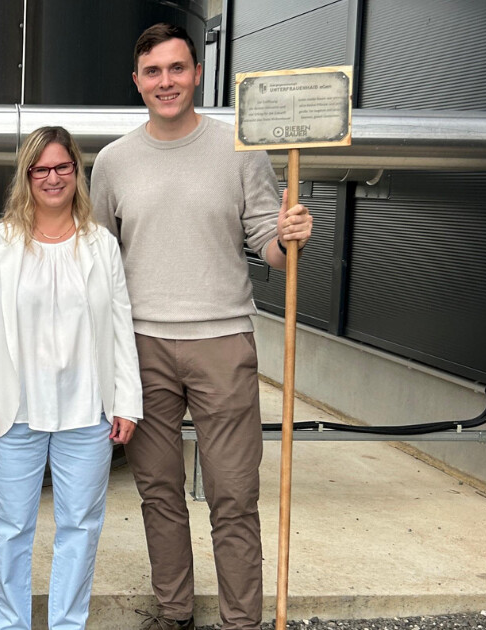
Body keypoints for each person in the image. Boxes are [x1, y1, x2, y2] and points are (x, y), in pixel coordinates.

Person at [89, 23, 313, 630]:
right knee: (158, 493)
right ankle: (174, 613)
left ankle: (241, 621)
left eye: (178, 69)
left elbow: (268, 242)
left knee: (234, 495)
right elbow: (99, 266)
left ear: (196, 74)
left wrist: (288, 239)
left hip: (222, 341)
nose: (167, 82)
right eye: (154, 72)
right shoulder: (112, 163)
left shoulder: (240, 150)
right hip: (142, 347)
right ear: (137, 82)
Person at [0, 126, 142, 630]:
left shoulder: (100, 244)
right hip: (11, 412)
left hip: (88, 412)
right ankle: (12, 624)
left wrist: (127, 401)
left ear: (77, 173)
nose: (52, 177)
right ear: (26, 176)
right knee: (10, 528)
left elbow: (120, 327)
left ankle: (67, 623)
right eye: (41, 168)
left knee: (81, 528)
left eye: (62, 167)